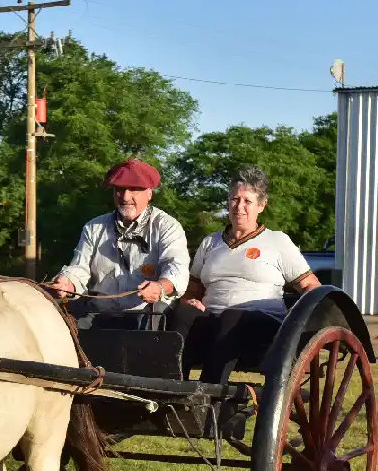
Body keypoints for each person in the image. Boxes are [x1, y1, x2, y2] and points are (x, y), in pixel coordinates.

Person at [176, 167, 322, 382]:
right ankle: (172, 389)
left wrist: (299, 323)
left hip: (262, 324)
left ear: (261, 205)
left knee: (232, 316)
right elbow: (192, 290)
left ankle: (208, 392)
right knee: (181, 314)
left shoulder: (277, 241)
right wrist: (189, 301)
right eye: (234, 199)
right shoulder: (210, 243)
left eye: (247, 201)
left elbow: (311, 286)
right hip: (212, 320)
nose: (239, 207)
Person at [48, 157, 190, 329]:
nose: (125, 197)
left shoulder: (168, 227)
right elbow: (80, 268)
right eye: (119, 190)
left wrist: (160, 287)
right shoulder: (94, 227)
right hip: (98, 315)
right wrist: (67, 282)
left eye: (134, 190)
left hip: (146, 316)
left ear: (149, 193)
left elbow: (177, 271)